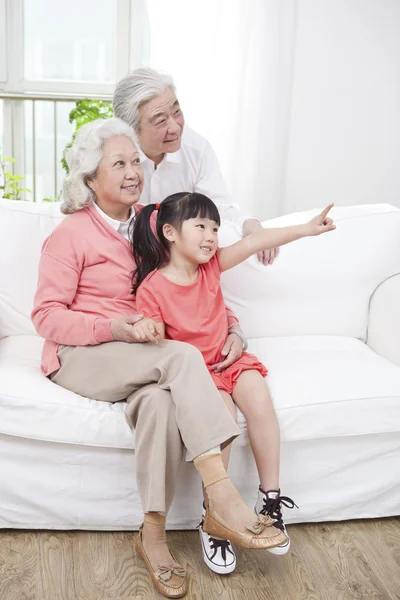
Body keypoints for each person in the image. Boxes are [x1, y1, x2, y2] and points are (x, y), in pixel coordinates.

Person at [31, 118, 287, 599]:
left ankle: (152, 537)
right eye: (119, 163)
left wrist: (231, 325)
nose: (133, 172)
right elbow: (45, 316)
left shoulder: (150, 223)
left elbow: (191, 279)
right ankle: (224, 500)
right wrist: (114, 327)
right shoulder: (71, 234)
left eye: (136, 162)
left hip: (139, 354)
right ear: (90, 179)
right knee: (183, 357)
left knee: (160, 405)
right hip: (82, 354)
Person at [130, 193, 336, 574]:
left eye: (214, 228)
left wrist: (307, 230)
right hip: (198, 376)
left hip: (231, 361)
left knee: (260, 402)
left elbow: (255, 240)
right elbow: (157, 345)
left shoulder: (211, 268)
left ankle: (269, 499)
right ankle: (216, 517)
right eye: (201, 227)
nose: (211, 236)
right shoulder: (152, 288)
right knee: (221, 425)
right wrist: (147, 330)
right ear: (170, 232)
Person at [113, 67, 275, 375]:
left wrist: (248, 225)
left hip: (184, 273)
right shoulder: (117, 159)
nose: (175, 126)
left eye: (177, 111)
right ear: (131, 128)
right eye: (160, 120)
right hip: (142, 278)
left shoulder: (196, 148)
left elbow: (220, 208)